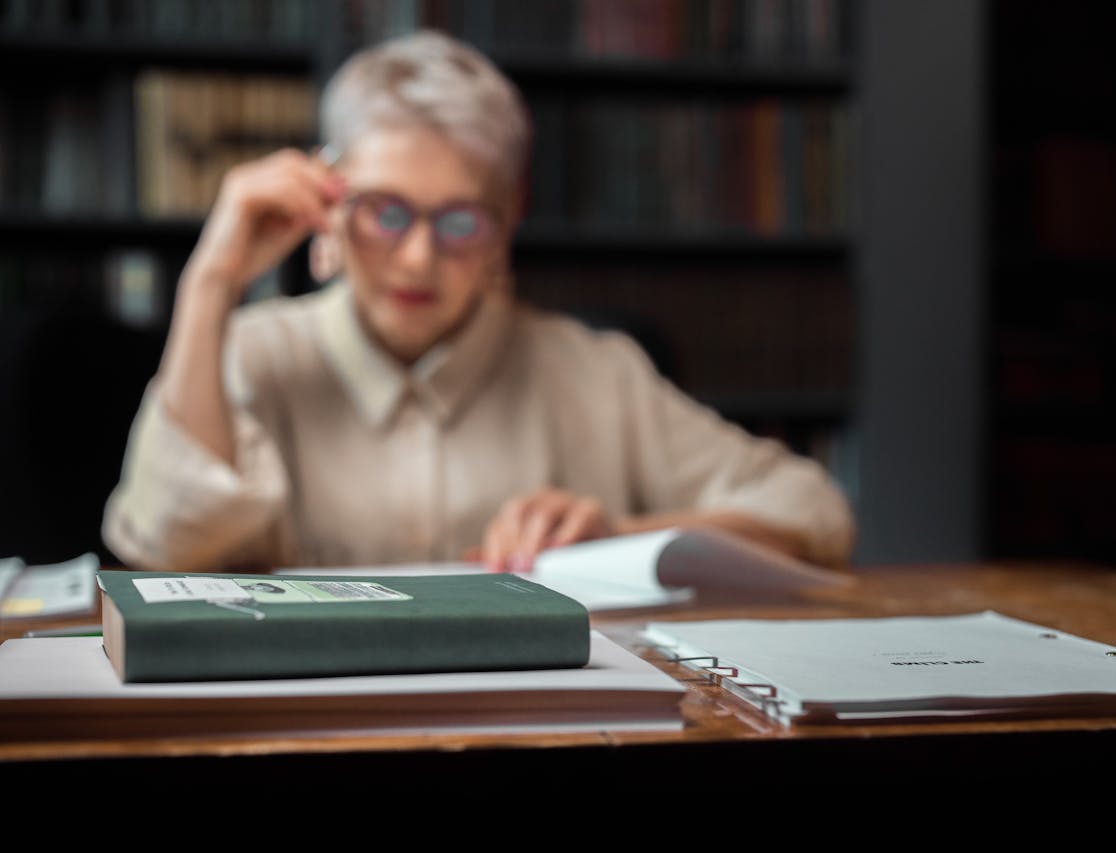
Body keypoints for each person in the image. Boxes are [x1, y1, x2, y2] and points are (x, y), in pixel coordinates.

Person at [101, 29, 855, 575]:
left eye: (461, 222)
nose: (419, 257)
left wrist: (623, 533)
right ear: (329, 199)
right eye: (384, 210)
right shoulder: (254, 353)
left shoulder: (593, 372)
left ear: (508, 221)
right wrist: (212, 281)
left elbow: (813, 512)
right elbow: (165, 550)